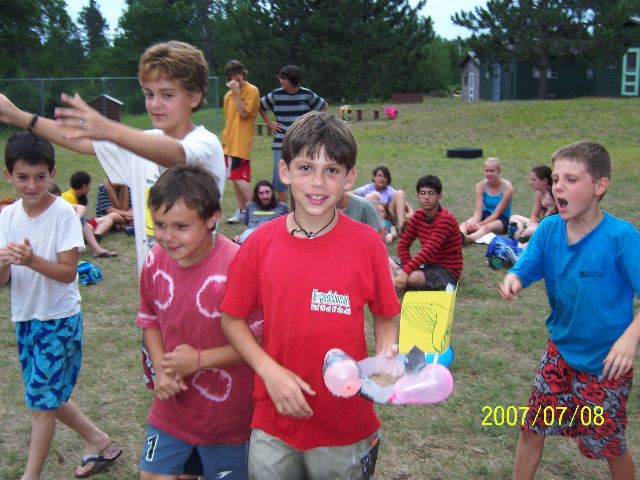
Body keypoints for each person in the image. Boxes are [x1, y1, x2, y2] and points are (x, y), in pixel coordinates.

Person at [220, 111, 400, 480]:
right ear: (284, 171)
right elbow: (231, 319)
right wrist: (269, 371)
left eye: (331, 170)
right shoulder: (260, 244)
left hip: (345, 423)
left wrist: (385, 353)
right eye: (305, 168)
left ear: (349, 177)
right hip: (274, 418)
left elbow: (386, 312)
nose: (318, 182)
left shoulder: (367, 243)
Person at [0, 40, 225, 274]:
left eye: (167, 95)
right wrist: (18, 116)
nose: (155, 104)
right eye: (149, 94)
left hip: (201, 282)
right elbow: (81, 141)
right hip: (153, 281)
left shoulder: (205, 143)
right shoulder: (141, 143)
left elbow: (176, 155)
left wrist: (109, 129)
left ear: (194, 97)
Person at [499, 141, 640, 480]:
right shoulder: (549, 229)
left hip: (606, 366)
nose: (558, 187)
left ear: (599, 186)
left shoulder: (621, 237)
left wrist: (629, 339)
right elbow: (527, 266)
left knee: (609, 445)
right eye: (556, 179)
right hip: (559, 354)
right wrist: (514, 278)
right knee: (532, 427)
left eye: (571, 179)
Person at [0, 132, 122, 479]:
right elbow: (3, 280)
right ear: (8, 175)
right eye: (23, 177)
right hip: (26, 318)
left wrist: (31, 260)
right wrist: (5, 264)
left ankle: (30, 476)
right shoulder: (7, 217)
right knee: (43, 393)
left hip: (58, 319)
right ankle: (98, 440)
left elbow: (68, 273)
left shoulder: (63, 215)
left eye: (40, 176)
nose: (32, 185)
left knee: (42, 403)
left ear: (52, 173)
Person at [137, 164, 261, 480]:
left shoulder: (237, 266)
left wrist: (198, 360)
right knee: (153, 475)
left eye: (180, 226)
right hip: (173, 405)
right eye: (160, 224)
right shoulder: (155, 259)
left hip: (227, 415)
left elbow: (257, 341)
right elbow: (149, 319)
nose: (167, 236)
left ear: (211, 218)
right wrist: (161, 368)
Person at [259, 64, 328, 205]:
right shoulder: (276, 94)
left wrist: (312, 123)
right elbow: (260, 106)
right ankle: (283, 210)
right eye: (280, 78)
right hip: (281, 142)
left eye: (284, 78)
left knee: (297, 177)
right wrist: (270, 123)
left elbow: (324, 106)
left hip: (302, 143)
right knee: (280, 177)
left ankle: (296, 211)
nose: (281, 81)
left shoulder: (306, 94)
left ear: (292, 80)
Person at [395, 175, 463, 292]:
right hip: (426, 265)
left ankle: (389, 283)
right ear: (417, 196)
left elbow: (428, 250)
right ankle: (396, 279)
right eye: (423, 193)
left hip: (446, 270)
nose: (426, 197)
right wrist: (408, 268)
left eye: (431, 193)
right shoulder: (418, 216)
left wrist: (406, 272)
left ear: (439, 196)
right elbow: (403, 245)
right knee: (386, 260)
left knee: (414, 278)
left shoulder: (445, 219)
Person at [222, 60, 260, 225]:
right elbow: (229, 120)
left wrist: (236, 93)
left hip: (241, 142)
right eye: (233, 74)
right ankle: (243, 210)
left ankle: (257, 211)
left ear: (243, 73)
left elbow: (244, 114)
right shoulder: (228, 96)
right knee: (234, 177)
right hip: (229, 142)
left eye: (238, 73)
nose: (236, 77)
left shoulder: (252, 90)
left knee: (239, 177)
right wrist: (225, 141)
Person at [49, 183, 118, 259]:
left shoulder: (61, 206)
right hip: (55, 244)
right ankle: (96, 238)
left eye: (57, 199)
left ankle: (96, 247)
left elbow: (81, 208)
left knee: (84, 218)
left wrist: (76, 219)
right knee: (109, 218)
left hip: (71, 235)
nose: (55, 202)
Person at [459, 157, 513, 243]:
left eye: (492, 171)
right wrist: (474, 223)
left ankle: (468, 239)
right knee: (467, 224)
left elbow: (496, 214)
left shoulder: (507, 187)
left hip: (502, 219)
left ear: (499, 172)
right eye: (487, 171)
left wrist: (479, 224)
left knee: (485, 227)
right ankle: (458, 236)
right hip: (486, 214)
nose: (489, 174)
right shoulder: (480, 186)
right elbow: (478, 211)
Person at [62, 171, 121, 240]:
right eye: (89, 185)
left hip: (83, 226)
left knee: (109, 219)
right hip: (74, 229)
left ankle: (96, 235)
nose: (90, 187)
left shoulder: (78, 196)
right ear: (84, 186)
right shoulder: (68, 197)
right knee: (109, 219)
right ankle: (93, 235)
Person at [353, 166, 413, 230]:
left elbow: (402, 201)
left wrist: (410, 211)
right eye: (379, 175)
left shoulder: (389, 191)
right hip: (371, 216)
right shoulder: (367, 188)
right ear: (374, 177)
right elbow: (351, 194)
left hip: (386, 218)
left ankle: (401, 228)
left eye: (385, 177)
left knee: (400, 193)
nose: (382, 179)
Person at [508, 165, 557, 241]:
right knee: (514, 218)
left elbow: (550, 220)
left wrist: (527, 227)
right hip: (539, 224)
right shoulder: (539, 193)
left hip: (549, 228)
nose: (530, 183)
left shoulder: (553, 195)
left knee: (530, 230)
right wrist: (530, 224)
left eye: (534, 180)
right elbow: (534, 215)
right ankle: (520, 234)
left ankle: (520, 238)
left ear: (544, 180)